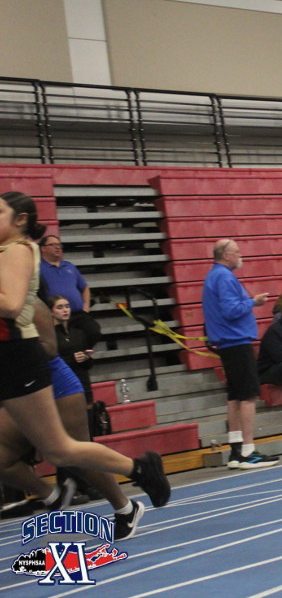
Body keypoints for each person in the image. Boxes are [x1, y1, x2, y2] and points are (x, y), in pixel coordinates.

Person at [0, 191, 170, 508]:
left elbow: (10, 306)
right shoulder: (5, 252)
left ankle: (137, 471)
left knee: (63, 450)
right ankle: (56, 497)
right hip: (11, 360)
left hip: (27, 362)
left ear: (20, 220)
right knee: (43, 452)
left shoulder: (18, 251)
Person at [0, 299, 144, 539]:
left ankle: (127, 502)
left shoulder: (29, 304)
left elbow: (49, 350)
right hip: (19, 389)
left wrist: (15, 346)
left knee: (74, 456)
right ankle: (53, 497)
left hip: (55, 385)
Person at [202, 238, 278, 470]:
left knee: (235, 396)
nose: (240, 255)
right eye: (237, 252)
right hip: (236, 340)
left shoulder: (214, 276)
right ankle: (247, 450)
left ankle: (236, 450)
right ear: (226, 255)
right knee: (248, 396)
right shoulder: (224, 277)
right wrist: (253, 302)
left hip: (228, 342)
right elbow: (231, 310)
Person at [37, 234, 102, 345]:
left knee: (93, 331)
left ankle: (82, 353)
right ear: (43, 248)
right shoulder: (39, 268)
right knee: (61, 343)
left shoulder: (69, 266)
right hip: (55, 316)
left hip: (78, 313)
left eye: (59, 245)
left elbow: (84, 287)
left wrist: (86, 306)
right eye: (52, 245)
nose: (57, 247)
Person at [48, 294, 100, 403]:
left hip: (82, 380)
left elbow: (89, 365)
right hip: (62, 383)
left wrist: (86, 358)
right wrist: (72, 359)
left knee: (88, 409)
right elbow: (48, 362)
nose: (65, 310)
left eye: (67, 306)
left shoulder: (78, 333)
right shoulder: (49, 336)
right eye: (60, 307)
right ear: (51, 312)